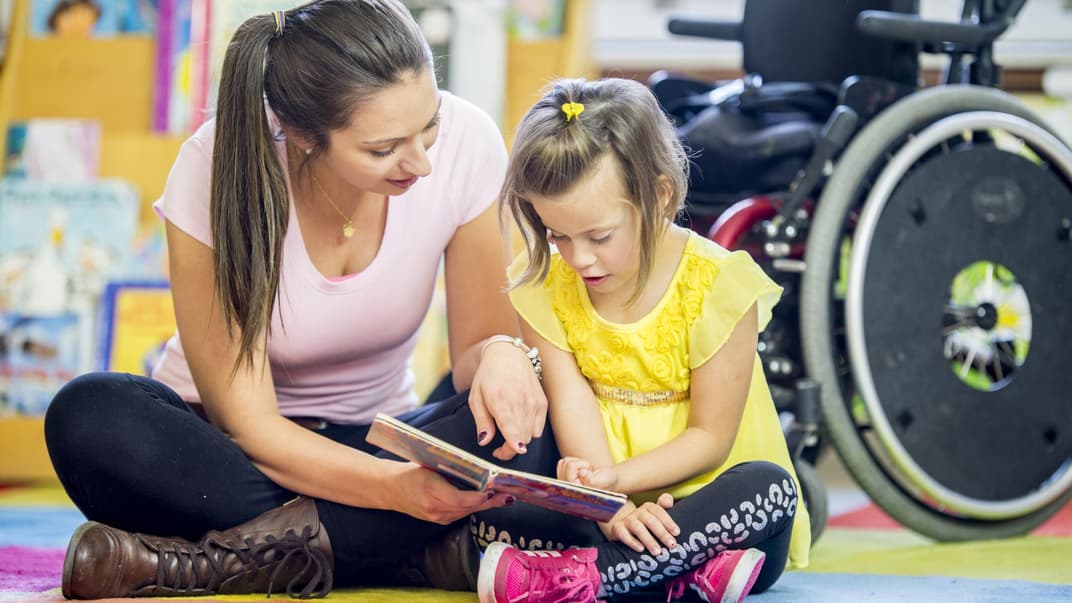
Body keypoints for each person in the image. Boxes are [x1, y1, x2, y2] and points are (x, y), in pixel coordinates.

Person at [43, 1, 550, 598]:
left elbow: (473, 356)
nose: (422, 160)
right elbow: (252, 425)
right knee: (90, 414)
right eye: (384, 148)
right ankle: (395, 549)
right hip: (230, 457)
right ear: (305, 136)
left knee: (527, 425)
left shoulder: (470, 144)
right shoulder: (215, 166)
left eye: (430, 124)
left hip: (378, 437)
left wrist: (503, 354)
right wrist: (394, 494)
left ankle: (222, 561)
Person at [474, 78, 812, 603]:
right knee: (493, 505)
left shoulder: (719, 283)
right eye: (556, 234)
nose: (578, 258)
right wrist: (611, 508)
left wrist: (614, 480)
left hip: (708, 508)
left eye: (599, 236)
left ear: (659, 196)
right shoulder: (547, 280)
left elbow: (710, 438)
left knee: (771, 489)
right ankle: (673, 580)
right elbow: (571, 402)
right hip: (605, 513)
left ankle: (583, 579)